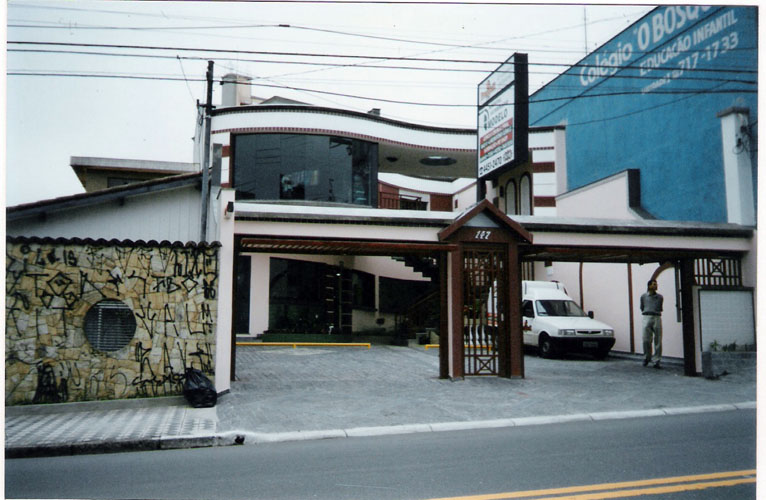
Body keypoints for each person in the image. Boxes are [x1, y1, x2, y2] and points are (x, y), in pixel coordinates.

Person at [640, 279, 663, 368]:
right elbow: (642, 307)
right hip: (646, 316)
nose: (656, 286)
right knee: (646, 339)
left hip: (656, 317)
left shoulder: (660, 297)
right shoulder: (643, 297)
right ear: (649, 286)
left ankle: (656, 360)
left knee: (658, 339)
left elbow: (660, 308)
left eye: (656, 284)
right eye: (654, 284)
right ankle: (647, 357)